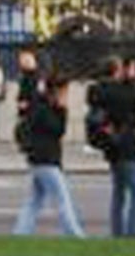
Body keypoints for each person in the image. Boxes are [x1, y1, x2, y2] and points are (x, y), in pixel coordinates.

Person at [88, 56, 135, 237]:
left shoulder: (98, 90)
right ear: (116, 71)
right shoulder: (121, 93)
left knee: (118, 194)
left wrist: (132, 78)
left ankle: (117, 232)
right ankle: (133, 233)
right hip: (128, 148)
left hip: (112, 147)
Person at [13, 74, 85, 237]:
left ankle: (20, 234)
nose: (67, 95)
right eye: (65, 91)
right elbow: (58, 130)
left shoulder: (39, 103)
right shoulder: (45, 107)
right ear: (57, 91)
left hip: (38, 158)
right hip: (46, 159)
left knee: (34, 202)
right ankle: (75, 235)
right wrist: (62, 109)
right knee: (62, 200)